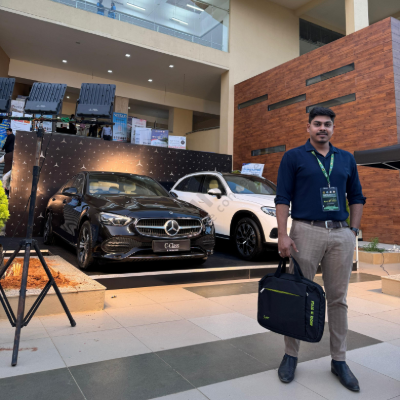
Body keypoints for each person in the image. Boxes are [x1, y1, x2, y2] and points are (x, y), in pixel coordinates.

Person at [275, 107, 365, 392]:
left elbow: (357, 196)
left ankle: (339, 360)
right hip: (306, 231)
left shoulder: (346, 158)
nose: (322, 128)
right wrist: (283, 234)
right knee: (298, 295)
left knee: (338, 299)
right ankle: (290, 355)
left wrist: (353, 232)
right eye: (317, 124)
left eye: (327, 124)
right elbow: (282, 198)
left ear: (333, 129)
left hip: (340, 233)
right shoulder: (293, 157)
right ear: (308, 127)